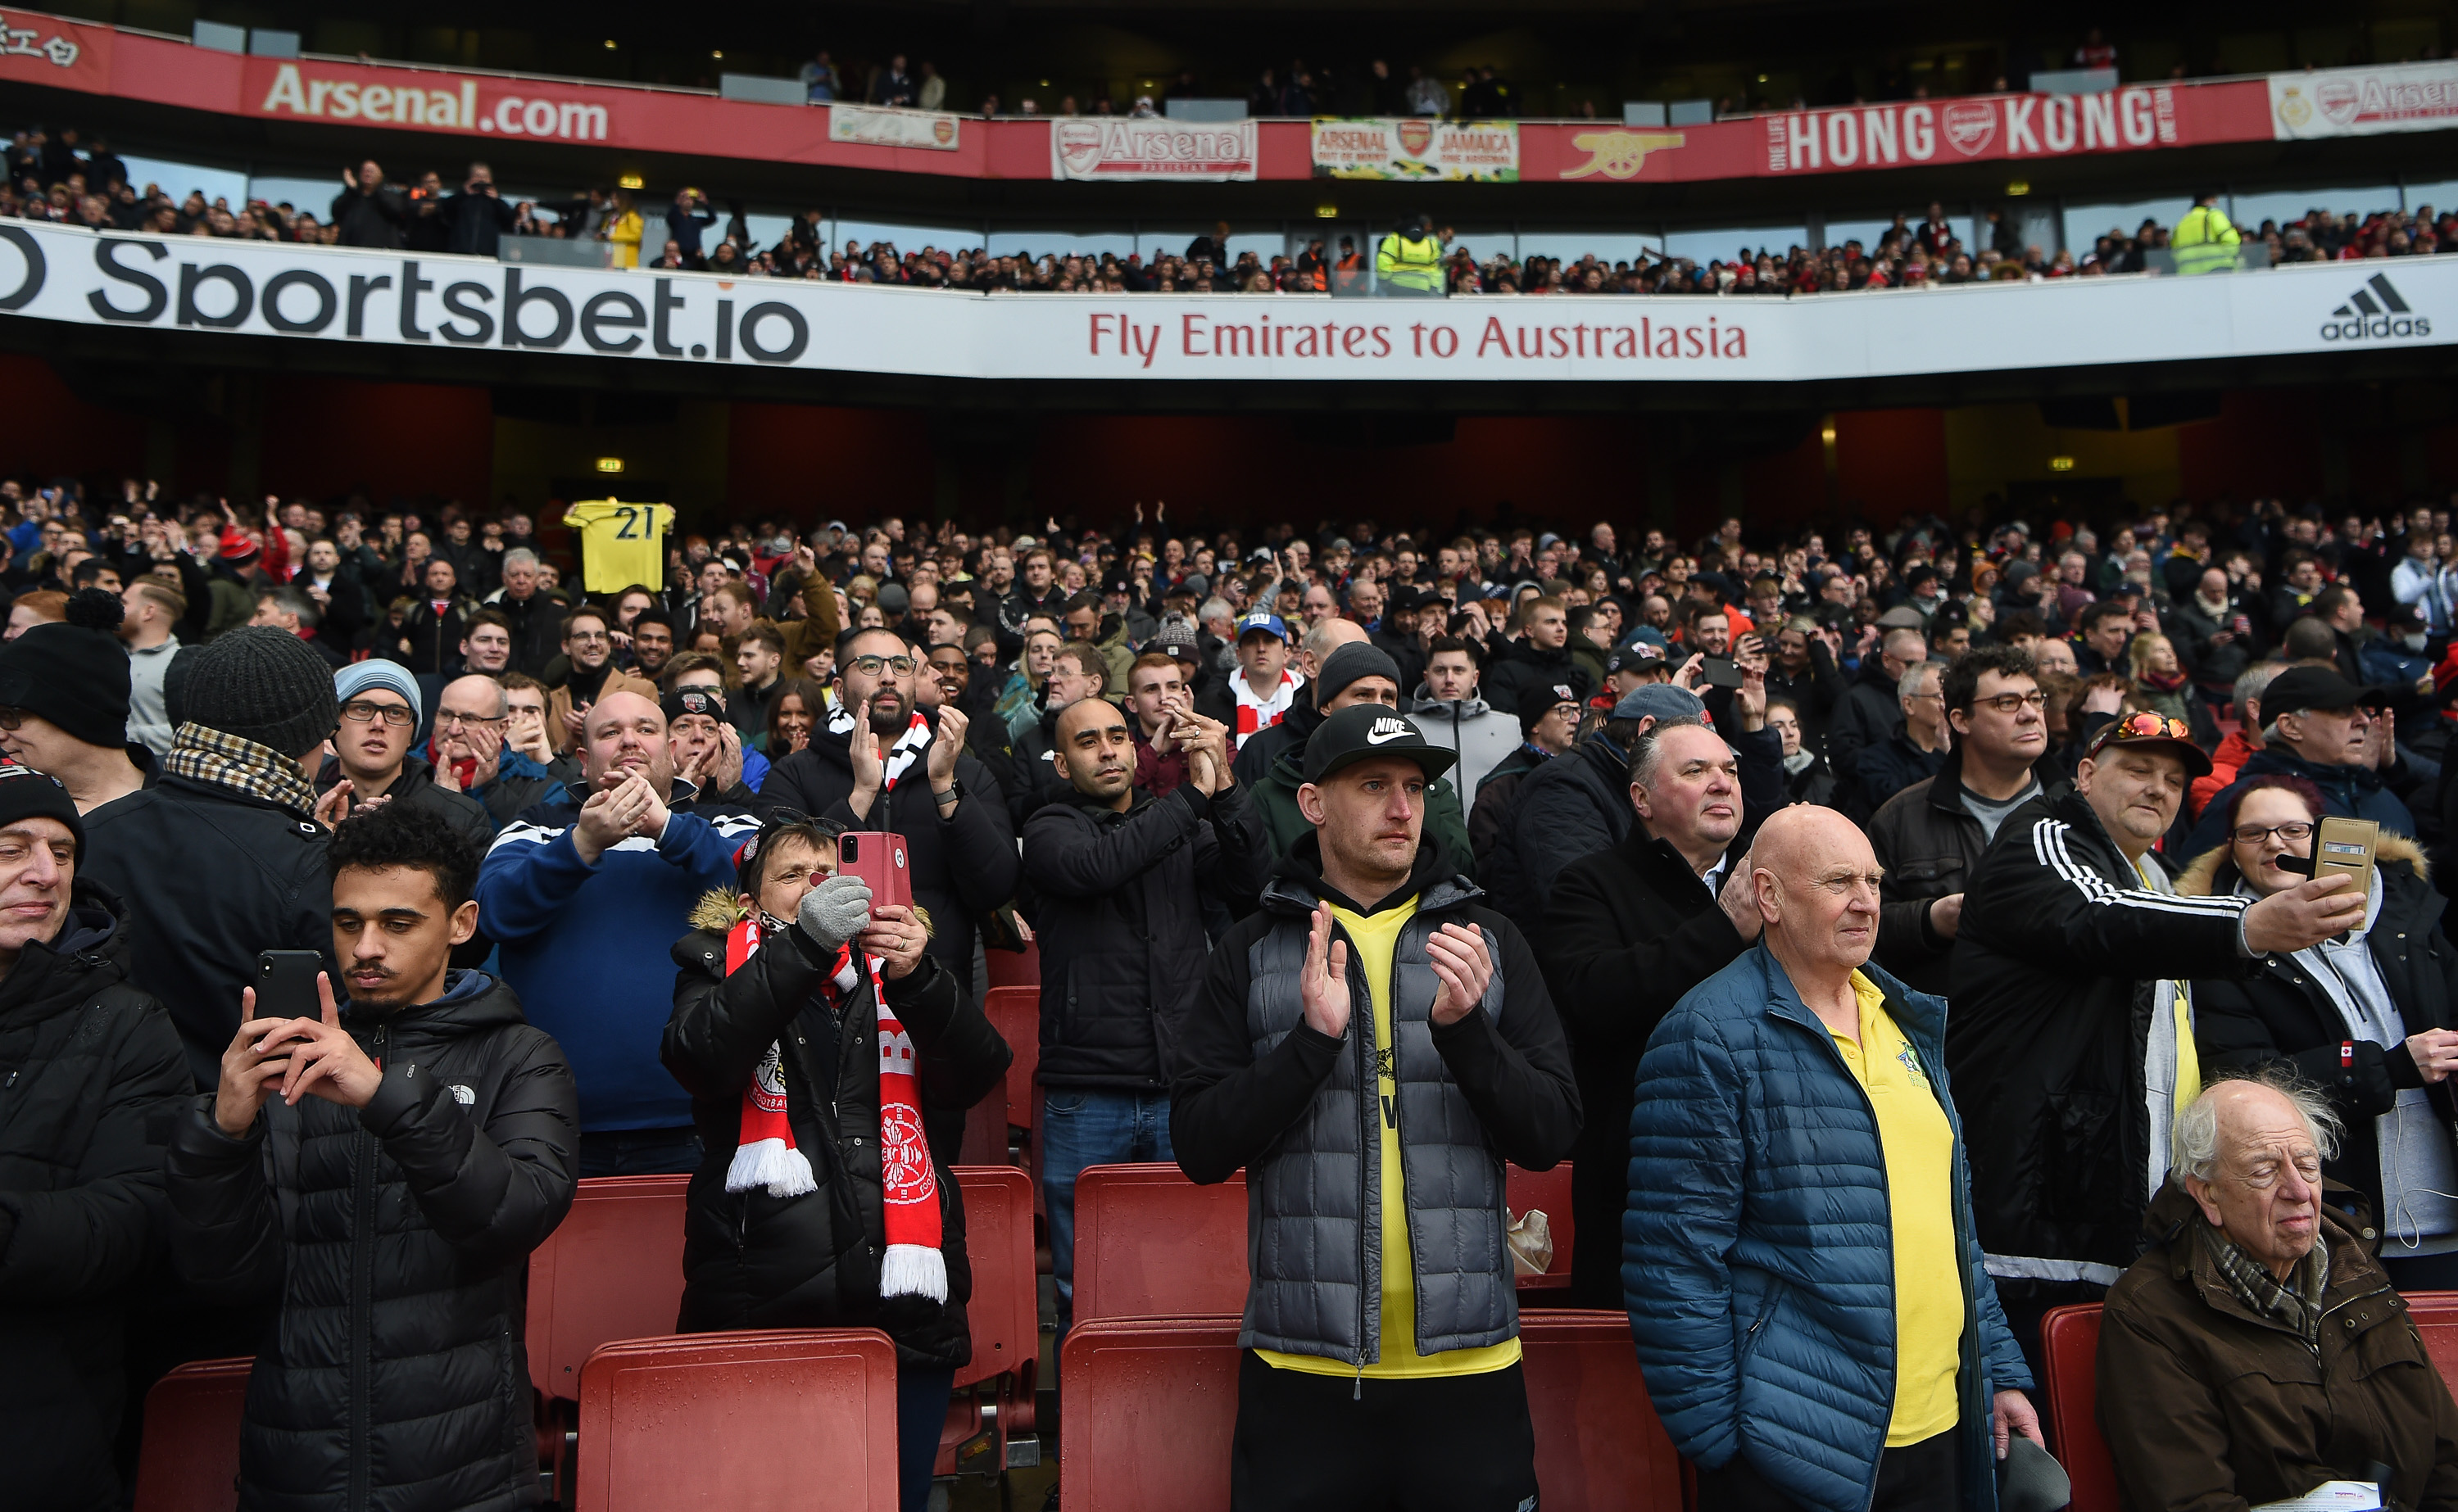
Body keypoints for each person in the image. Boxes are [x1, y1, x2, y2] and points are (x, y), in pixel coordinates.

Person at [1170, 704, 1578, 1512]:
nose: (1402, 808)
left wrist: (1468, 1037)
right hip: (1302, 1370)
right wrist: (1310, 1046)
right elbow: (1199, 1146)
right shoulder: (1252, 948)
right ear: (1315, 802)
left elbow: (1552, 1132)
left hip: (1470, 1367)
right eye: (1374, 785)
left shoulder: (1487, 939)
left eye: (1415, 787)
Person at [166, 804, 578, 1512]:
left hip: (464, 1463)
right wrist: (222, 1133)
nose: (365, 948)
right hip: (296, 1457)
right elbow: (222, 1277)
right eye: (348, 922)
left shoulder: (519, 1054)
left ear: (462, 924)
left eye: (398, 922)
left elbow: (512, 1218)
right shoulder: (287, 1063)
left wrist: (387, 1097)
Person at [1628, 806, 2041, 1512]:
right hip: (1797, 1448)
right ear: (1769, 896)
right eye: (1838, 881)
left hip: (1941, 1426)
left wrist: (1997, 1371)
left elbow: (1953, 1229)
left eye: (1875, 881)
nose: (1867, 902)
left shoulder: (1903, 1018)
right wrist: (1720, 1440)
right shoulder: (1706, 1034)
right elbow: (1674, 1261)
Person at [1948, 711, 2369, 1379]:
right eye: (2137, 770)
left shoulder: (2155, 878)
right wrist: (2251, 922)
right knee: (2047, 1425)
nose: (2158, 788)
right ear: (2085, 775)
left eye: (2173, 780)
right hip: (2040, 1207)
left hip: (2126, 1202)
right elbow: (2099, 918)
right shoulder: (2043, 835)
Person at [664, 817, 1006, 1512]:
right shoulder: (710, 961)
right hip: (760, 1294)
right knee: (769, 1496)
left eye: (835, 869)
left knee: (896, 1496)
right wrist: (804, 948)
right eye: (794, 875)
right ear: (753, 902)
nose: (820, 886)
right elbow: (700, 1058)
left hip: (905, 1305)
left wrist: (919, 979)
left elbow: (974, 1075)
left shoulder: (906, 971)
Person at [2097, 1073, 2458, 1512]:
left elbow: (2447, 1461)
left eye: (2307, 1165)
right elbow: (2192, 1501)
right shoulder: (2150, 1312)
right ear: (2207, 1194)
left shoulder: (2356, 1268)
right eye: (2265, 1170)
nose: (2299, 1190)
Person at [1023, 693, 1267, 1336]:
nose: (1107, 750)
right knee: (1089, 1283)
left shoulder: (1180, 823)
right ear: (1061, 765)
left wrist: (1227, 787)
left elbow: (1251, 882)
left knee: (1187, 1270)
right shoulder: (1049, 828)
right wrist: (1192, 800)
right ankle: (1085, 1424)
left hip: (1178, 1087)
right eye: (1087, 742)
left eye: (1117, 737)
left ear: (1137, 750)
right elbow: (1099, 866)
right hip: (1087, 1091)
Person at [2179, 775, 2458, 1288]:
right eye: (2253, 834)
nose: (2276, 844)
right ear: (2232, 854)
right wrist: (2390, 1067)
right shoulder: (2219, 949)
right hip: (2334, 1232)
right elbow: (2244, 1080)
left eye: (2293, 829)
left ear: (2326, 838)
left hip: (2449, 1223)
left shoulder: (2412, 915)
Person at [0, 759, 189, 1511]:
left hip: (44, 1435)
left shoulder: (126, 1024)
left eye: (64, 852)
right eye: (12, 849)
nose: (46, 873)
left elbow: (137, 1216)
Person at [475, 692, 758, 1175]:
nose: (629, 740)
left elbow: (765, 889)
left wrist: (666, 829)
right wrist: (582, 845)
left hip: (703, 1121)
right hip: (552, 1124)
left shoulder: (726, 822)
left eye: (646, 729)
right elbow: (492, 916)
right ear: (584, 760)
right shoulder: (535, 829)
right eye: (610, 733)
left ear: (672, 751)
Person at [1542, 716, 1766, 1310]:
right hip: (1642, 1189)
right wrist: (1724, 930)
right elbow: (1596, 996)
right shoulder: (1589, 885)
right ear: (1640, 798)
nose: (1722, 783)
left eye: (1731, 770)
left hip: (1767, 1181)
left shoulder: (1770, 882)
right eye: (1696, 771)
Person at [84, 628, 338, 1089]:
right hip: (240, 1132)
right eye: (328, 733)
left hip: (97, 1118)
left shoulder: (90, 835)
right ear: (305, 738)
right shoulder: (307, 863)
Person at [759, 627, 1018, 998]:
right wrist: (860, 795)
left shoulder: (965, 770)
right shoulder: (794, 771)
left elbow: (996, 885)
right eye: (869, 665)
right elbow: (773, 879)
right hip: (824, 989)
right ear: (839, 688)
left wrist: (944, 784)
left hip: (933, 988)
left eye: (900, 665)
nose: (887, 676)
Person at [1867, 647, 2059, 998]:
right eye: (2007, 703)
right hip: (1948, 1035)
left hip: (2063, 1034)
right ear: (1961, 720)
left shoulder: (2078, 812)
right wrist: (1931, 920)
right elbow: (1865, 927)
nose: (2031, 714)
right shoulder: (1900, 818)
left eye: (2035, 699)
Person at [2184, 664, 2417, 855]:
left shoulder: (2379, 796)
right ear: (2290, 726)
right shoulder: (2242, 804)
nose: (2363, 721)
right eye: (2343, 710)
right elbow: (2200, 899)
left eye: (2361, 710)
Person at [315, 663, 494, 854]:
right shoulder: (302, 802)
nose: (378, 724)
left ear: (412, 734)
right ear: (335, 723)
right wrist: (319, 846)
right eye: (362, 709)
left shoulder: (457, 816)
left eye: (395, 713)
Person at [0, 586, 149, 814]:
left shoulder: (183, 817)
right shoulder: (12, 809)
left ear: (79, 716)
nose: (0, 734)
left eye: (9, 716)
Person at [1465, 681, 1580, 876]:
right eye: (1564, 711)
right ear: (1535, 724)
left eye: (1578, 711)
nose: (1576, 719)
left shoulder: (1583, 771)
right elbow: (1486, 863)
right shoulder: (1502, 786)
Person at [1409, 636, 1517, 807]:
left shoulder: (1510, 727)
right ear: (1426, 677)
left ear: (1475, 678)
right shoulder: (1407, 728)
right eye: (1440, 671)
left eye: (1458, 670)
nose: (1449, 679)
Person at [543, 605, 657, 757]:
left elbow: (651, 749)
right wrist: (569, 744)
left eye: (600, 636)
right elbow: (542, 760)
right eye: (583, 636)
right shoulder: (551, 701)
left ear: (609, 645)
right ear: (566, 646)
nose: (593, 643)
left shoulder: (641, 691)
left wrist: (597, 726)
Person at [1850, 660, 1949, 822]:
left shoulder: (1967, 751)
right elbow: (1891, 802)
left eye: (1950, 697)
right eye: (1939, 697)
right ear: (1909, 704)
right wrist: (1938, 756)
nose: (1946, 706)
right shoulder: (1875, 758)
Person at [117, 574, 184, 759]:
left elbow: (188, 729)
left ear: (148, 611)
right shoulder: (114, 655)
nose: (117, 608)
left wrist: (125, 735)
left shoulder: (179, 665)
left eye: (124, 602)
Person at [1221, 611, 1303, 752]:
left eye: (1270, 640)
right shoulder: (1215, 699)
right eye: (1252, 641)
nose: (1261, 649)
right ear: (1239, 654)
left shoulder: (1306, 700)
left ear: (1287, 654)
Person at [1765, 695, 1836, 807]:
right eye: (1778, 727)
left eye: (1794, 725)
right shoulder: (1758, 785)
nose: (1790, 733)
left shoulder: (1827, 785)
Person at [2170, 189, 2242, 277]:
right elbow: (2232, 242)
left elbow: (2174, 253)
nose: (2216, 203)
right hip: (2218, 271)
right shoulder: (2213, 216)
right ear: (2208, 200)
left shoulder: (2180, 224)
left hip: (2188, 276)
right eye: (2214, 199)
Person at [1375, 212, 1444, 296]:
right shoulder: (1431, 244)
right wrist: (1434, 288)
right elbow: (1436, 269)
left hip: (1397, 288)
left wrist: (1385, 283)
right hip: (1423, 290)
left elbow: (1383, 264)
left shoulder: (1395, 240)